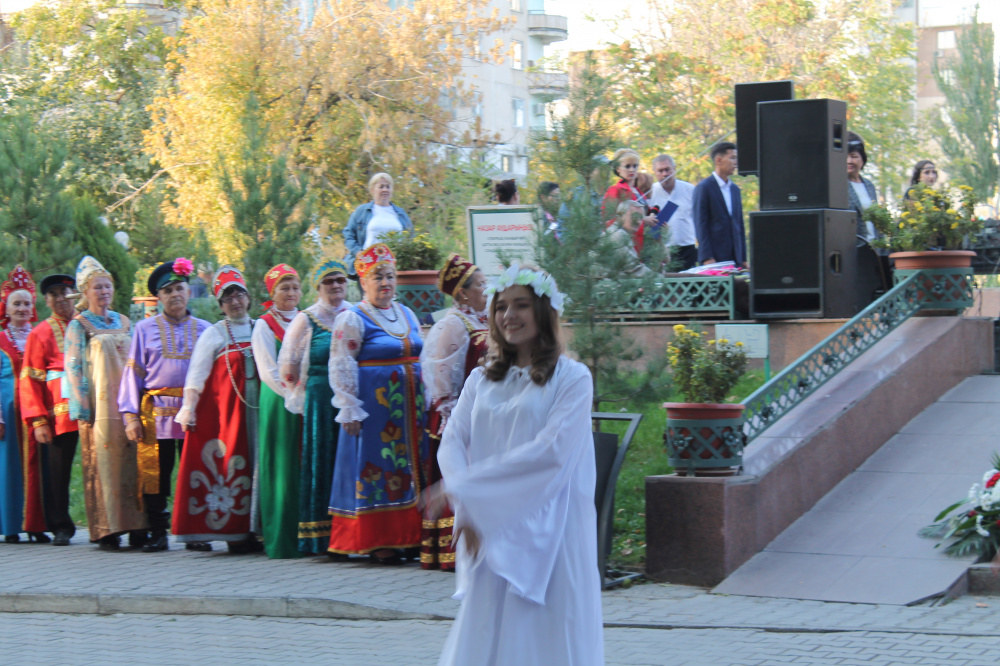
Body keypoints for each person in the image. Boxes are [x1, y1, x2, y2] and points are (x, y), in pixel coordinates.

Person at [430, 262, 603, 665]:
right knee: (489, 628)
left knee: (544, 634)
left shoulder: (572, 379)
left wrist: (472, 490)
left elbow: (552, 454)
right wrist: (467, 504)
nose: (509, 316)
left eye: (521, 305)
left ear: (543, 312)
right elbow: (453, 442)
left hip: (554, 530)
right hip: (492, 526)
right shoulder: (480, 380)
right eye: (501, 306)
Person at [327, 243, 428, 564]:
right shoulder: (352, 318)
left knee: (411, 467)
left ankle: (411, 535)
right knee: (380, 467)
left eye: (389, 276)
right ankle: (378, 538)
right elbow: (341, 361)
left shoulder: (407, 313)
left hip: (410, 413)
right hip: (375, 413)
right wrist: (348, 406)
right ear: (363, 282)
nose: (385, 283)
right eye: (377, 277)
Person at [118, 258, 210, 553]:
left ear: (189, 292)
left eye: (179, 288)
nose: (175, 295)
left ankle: (195, 532)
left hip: (193, 414)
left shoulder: (206, 330)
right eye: (167, 291)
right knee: (155, 476)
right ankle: (157, 531)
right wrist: (130, 416)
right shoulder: (144, 329)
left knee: (195, 473)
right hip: (155, 414)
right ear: (158, 297)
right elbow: (133, 373)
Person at [173, 266, 262, 553]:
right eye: (228, 298)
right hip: (229, 418)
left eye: (239, 295)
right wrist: (189, 408)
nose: (235, 302)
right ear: (220, 305)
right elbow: (196, 376)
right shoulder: (214, 334)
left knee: (262, 464)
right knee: (232, 466)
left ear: (248, 298)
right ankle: (234, 533)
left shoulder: (261, 328)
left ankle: (260, 529)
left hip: (261, 413)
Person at [64, 256, 147, 550]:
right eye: (97, 287)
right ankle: (108, 530)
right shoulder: (80, 325)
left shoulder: (124, 321)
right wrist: (81, 408)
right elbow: (73, 366)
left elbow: (138, 358)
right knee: (105, 468)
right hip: (99, 411)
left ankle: (138, 526)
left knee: (133, 466)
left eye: (107, 286)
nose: (103, 292)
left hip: (128, 407)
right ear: (85, 292)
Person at [277, 258, 352, 555]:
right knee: (323, 462)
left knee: (348, 462)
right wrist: (302, 396)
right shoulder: (306, 319)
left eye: (340, 281)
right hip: (321, 399)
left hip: (353, 399)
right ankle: (321, 536)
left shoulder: (354, 314)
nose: (335, 286)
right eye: (329, 282)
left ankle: (350, 532)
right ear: (318, 287)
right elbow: (288, 366)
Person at [418, 254, 489, 571]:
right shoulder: (451, 325)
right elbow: (439, 374)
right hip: (458, 416)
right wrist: (451, 417)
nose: (487, 291)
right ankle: (450, 549)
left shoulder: (483, 321)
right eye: (481, 285)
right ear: (462, 292)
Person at [20, 273, 79, 546]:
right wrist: (38, 421)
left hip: (93, 410)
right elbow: (30, 380)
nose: (60, 298)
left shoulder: (87, 324)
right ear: (46, 300)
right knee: (57, 472)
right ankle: (60, 525)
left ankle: (107, 524)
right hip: (59, 415)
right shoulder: (39, 333)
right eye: (54, 294)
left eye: (65, 292)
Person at [250, 263, 303, 559]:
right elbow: (268, 369)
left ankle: (308, 536)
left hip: (306, 399)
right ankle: (282, 539)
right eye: (284, 288)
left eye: (295, 287)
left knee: (302, 466)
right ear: (273, 292)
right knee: (282, 467)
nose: (291, 293)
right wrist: (294, 395)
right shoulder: (264, 325)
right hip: (280, 400)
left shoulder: (306, 319)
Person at [0, 267, 47, 543]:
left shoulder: (39, 335)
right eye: (16, 303)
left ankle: (36, 524)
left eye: (27, 303)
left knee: (39, 467)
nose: (22, 308)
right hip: (7, 410)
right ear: (6, 307)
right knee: (9, 468)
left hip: (36, 410)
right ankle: (10, 525)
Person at [692, 141, 746, 267]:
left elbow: (740, 225)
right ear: (718, 160)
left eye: (736, 158)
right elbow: (700, 224)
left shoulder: (735, 190)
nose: (735, 163)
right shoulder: (704, 188)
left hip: (735, 258)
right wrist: (707, 257)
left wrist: (743, 258)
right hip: (714, 258)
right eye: (732, 158)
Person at [342, 173, 414, 265]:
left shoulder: (401, 213)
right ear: (372, 190)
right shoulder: (362, 211)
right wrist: (358, 252)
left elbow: (410, 237)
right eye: (381, 187)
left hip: (395, 265)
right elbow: (348, 235)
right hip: (368, 264)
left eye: (388, 187)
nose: (385, 190)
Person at [648, 154, 698, 270]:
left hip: (687, 248)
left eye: (667, 169)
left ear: (674, 169)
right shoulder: (650, 192)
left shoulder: (690, 190)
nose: (665, 174)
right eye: (660, 171)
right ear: (655, 172)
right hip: (661, 250)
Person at [846, 132, 880, 241]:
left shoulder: (869, 185)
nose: (849, 161)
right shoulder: (836, 186)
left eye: (854, 156)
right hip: (852, 248)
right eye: (845, 156)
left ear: (862, 159)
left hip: (873, 248)